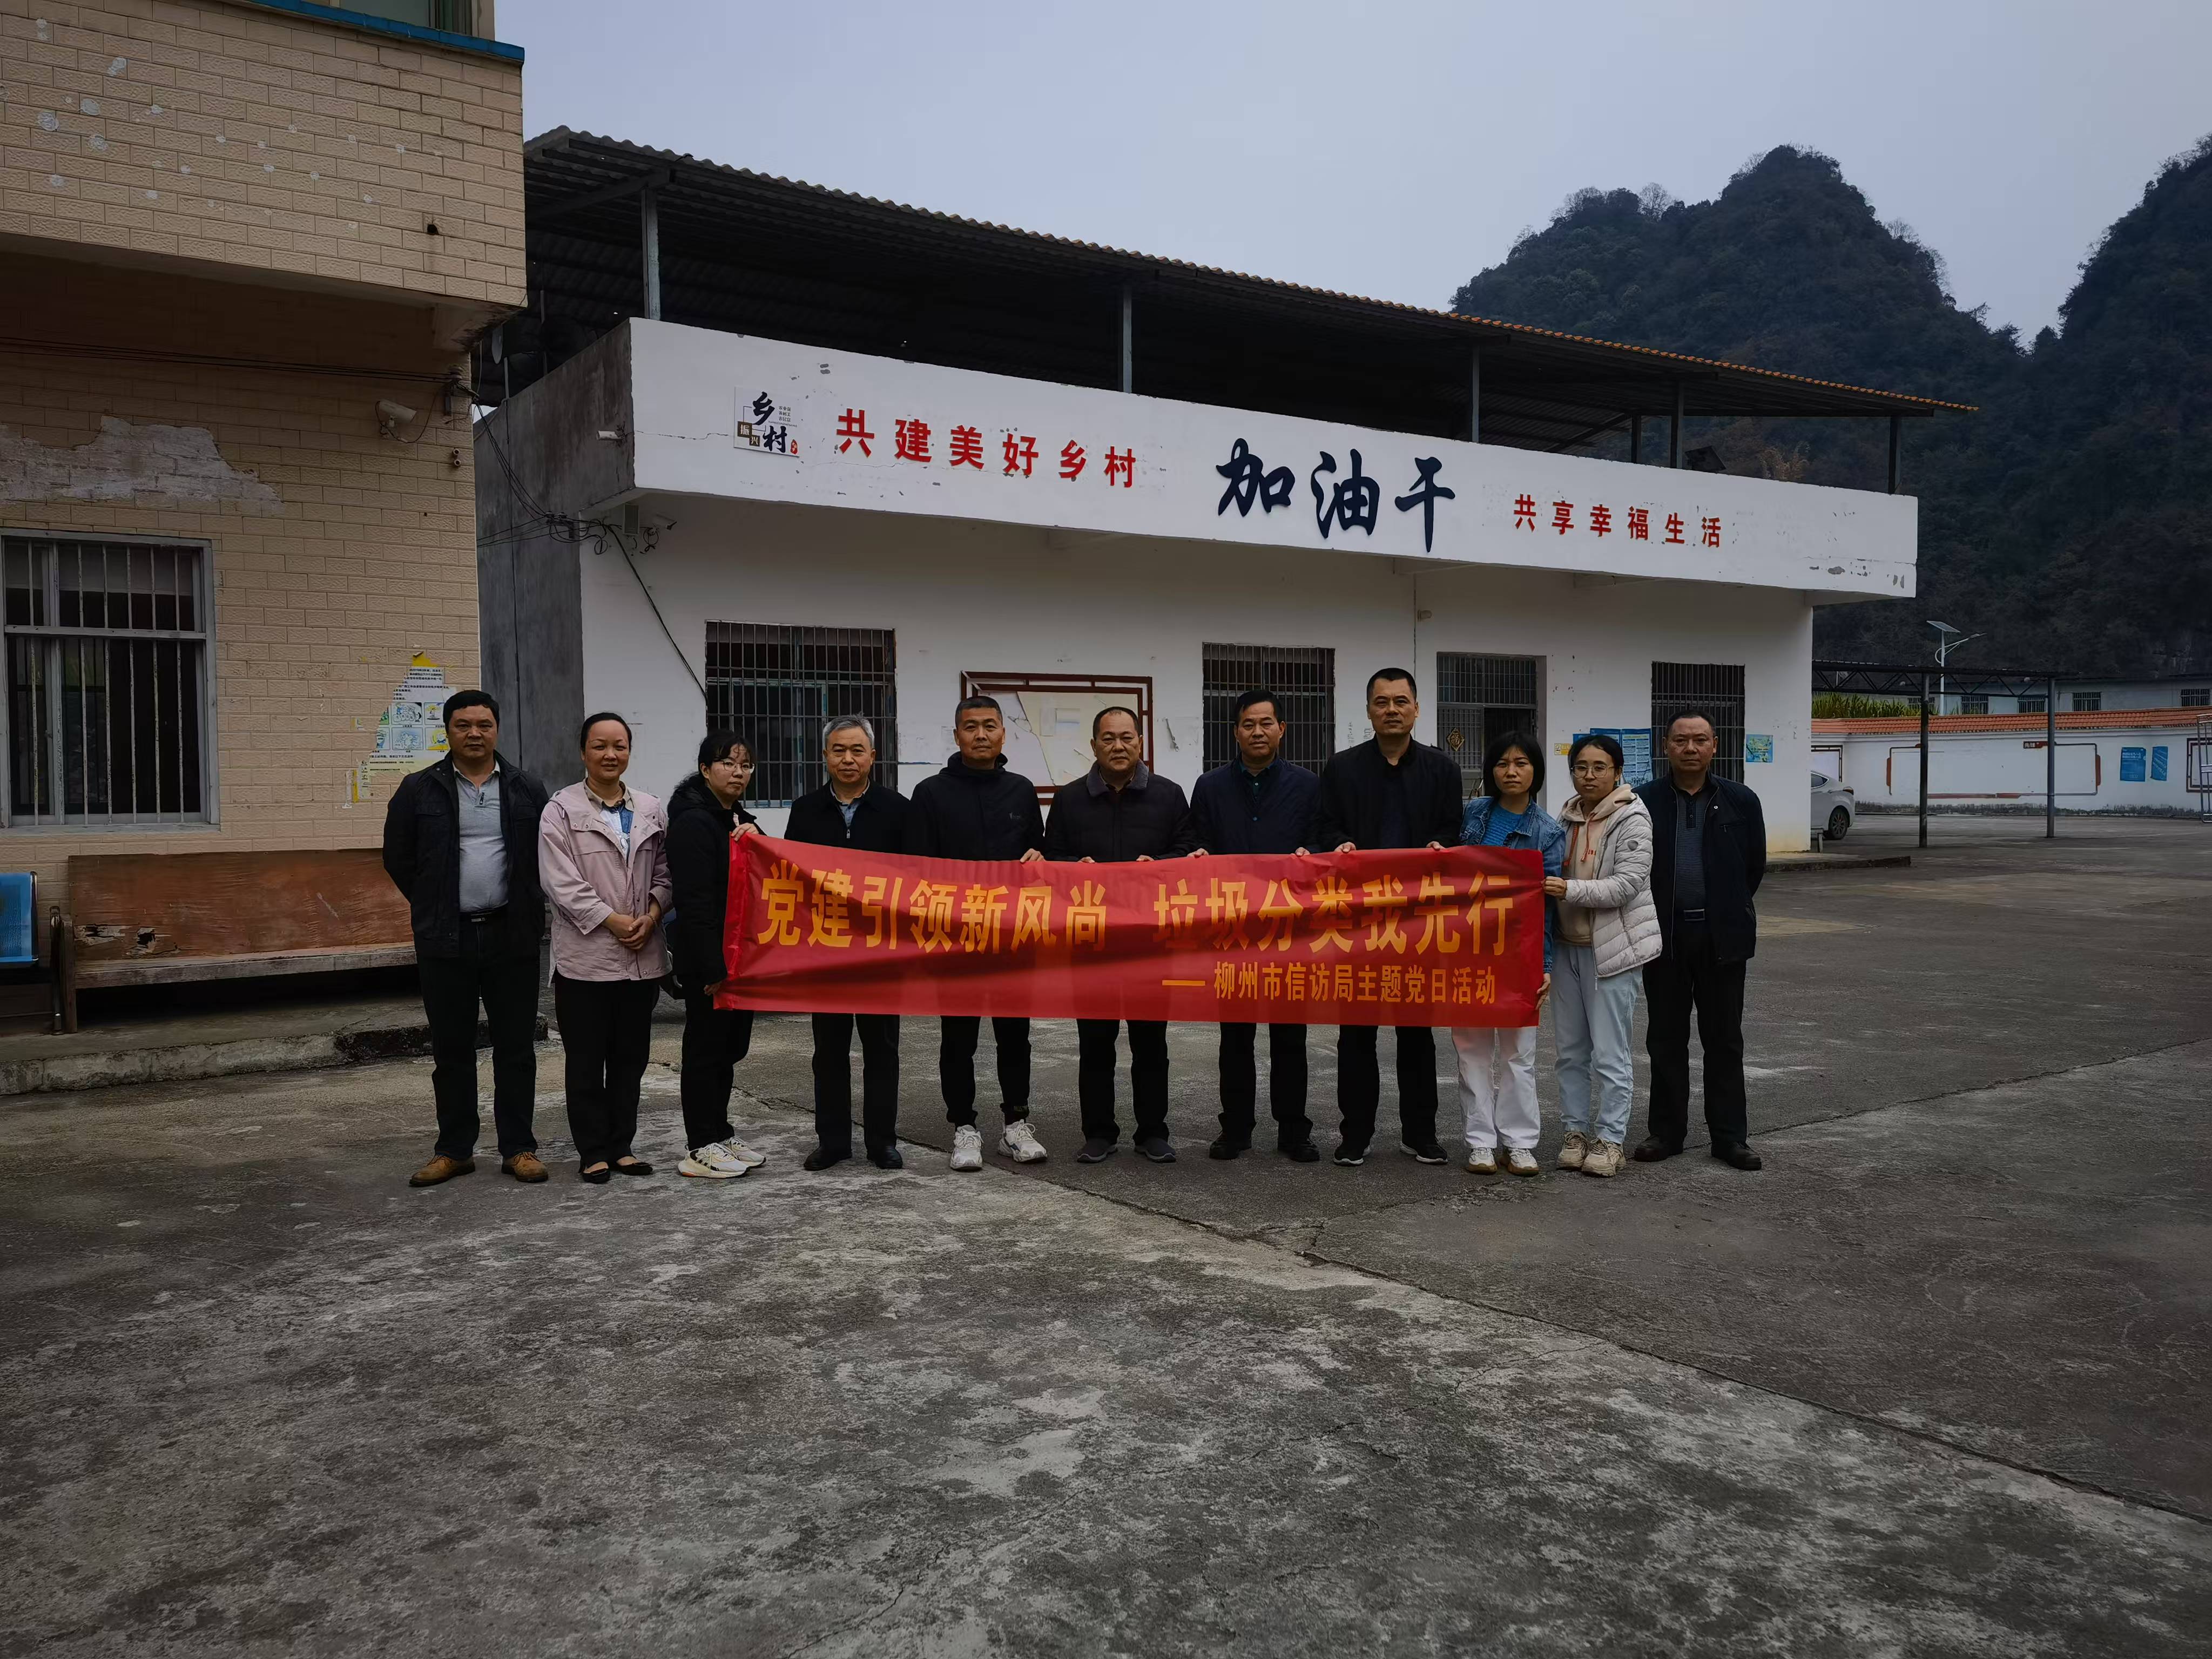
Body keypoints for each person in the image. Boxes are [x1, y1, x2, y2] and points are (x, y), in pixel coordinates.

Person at [382, 690, 551, 1188]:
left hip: (512, 935)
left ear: (496, 729)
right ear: (448, 731)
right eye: (463, 725)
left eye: (484, 725)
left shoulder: (526, 788)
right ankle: (454, 1150)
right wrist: (433, 903)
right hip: (446, 938)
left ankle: (518, 1148)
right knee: (452, 1049)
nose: (474, 734)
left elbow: (547, 855)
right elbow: (398, 858)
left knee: (516, 1048)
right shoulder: (418, 790)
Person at [1313, 668, 1464, 1168]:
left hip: (1418, 923)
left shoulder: (1442, 769)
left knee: (1416, 1034)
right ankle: (1355, 1134)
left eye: (1401, 701)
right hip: (1357, 921)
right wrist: (1340, 844)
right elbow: (1326, 825)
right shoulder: (1342, 769)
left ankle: (1421, 1133)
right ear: (1369, 711)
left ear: (1417, 709)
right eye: (1382, 702)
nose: (1392, 710)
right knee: (1357, 1034)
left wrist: (1443, 846)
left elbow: (1453, 827)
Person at [904, 694, 1051, 1171]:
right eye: (971, 727)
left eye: (990, 725)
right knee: (958, 1038)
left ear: (1003, 733)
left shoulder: (1021, 790)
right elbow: (917, 869)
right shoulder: (930, 793)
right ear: (957, 735)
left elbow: (1040, 854)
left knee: (1015, 1036)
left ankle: (1016, 1124)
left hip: (1012, 938)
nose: (981, 734)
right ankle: (964, 1127)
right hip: (955, 940)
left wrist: (1039, 858)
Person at [1044, 704, 1196, 1164]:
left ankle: (1152, 1131)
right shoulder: (1070, 799)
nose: (1118, 746)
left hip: (1151, 944)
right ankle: (1098, 1132)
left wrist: (1159, 866)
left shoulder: (1168, 796)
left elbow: (1188, 851)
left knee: (1151, 1044)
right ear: (1094, 746)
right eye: (1108, 738)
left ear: (1140, 743)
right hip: (1092, 943)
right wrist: (1076, 868)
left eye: (1126, 737)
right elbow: (1052, 858)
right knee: (1095, 1044)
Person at [1188, 689, 1321, 1162]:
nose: (1258, 732)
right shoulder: (1210, 787)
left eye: (1266, 723)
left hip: (1289, 930)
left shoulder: (1308, 786)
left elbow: (1321, 842)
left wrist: (1311, 854)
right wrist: (1198, 855)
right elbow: (1196, 840)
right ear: (1235, 732)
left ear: (1282, 729)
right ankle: (1236, 1128)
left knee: (1290, 1037)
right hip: (1233, 931)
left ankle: (1294, 1130)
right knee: (1235, 1038)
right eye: (1248, 724)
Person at [538, 712, 671, 1184]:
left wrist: (652, 914)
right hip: (586, 961)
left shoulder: (651, 808)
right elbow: (560, 884)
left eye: (619, 745)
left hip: (640, 957)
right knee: (586, 1060)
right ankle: (592, 1151)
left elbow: (665, 872)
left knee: (630, 1061)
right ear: (583, 752)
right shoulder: (560, 810)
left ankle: (622, 1147)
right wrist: (613, 921)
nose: (610, 754)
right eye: (600, 746)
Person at [1635, 711, 1768, 1170]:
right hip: (1664, 937)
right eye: (1680, 740)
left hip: (1722, 939)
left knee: (1724, 1040)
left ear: (1714, 745)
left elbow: (1753, 867)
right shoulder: (1643, 801)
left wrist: (1726, 910)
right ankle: (1666, 1132)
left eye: (1699, 740)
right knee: (1665, 1039)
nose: (1690, 748)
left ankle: (1730, 1138)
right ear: (1666, 746)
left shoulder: (1741, 800)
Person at [785, 716, 911, 1171]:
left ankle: (882, 1142)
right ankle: (833, 1141)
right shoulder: (805, 811)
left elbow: (916, 878)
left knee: (882, 1051)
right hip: (828, 951)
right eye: (839, 750)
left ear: (873, 757)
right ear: (825, 756)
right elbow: (790, 878)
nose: (848, 759)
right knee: (829, 1052)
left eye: (857, 750)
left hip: (881, 952)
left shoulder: (898, 809)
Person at [1543, 734, 1662, 1179]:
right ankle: (1575, 1133)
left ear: (1617, 772)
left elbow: (1626, 885)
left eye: (1599, 767)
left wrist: (1567, 890)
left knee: (1610, 1054)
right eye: (1581, 767)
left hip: (1612, 951)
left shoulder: (1633, 818)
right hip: (1566, 949)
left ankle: (1611, 1139)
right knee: (1571, 1052)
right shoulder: (1565, 817)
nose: (1589, 776)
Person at [1452, 733, 1563, 1176]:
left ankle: (1519, 1143)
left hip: (1518, 955)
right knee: (1472, 1050)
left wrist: (1545, 964)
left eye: (1521, 763)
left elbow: (1547, 906)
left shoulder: (1547, 831)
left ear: (1536, 770)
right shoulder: (1473, 814)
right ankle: (1480, 1142)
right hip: (1469, 949)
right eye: (1502, 763)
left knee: (1519, 1054)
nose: (1511, 772)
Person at [664, 730, 771, 1181]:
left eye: (745, 765)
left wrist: (758, 838)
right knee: (705, 1050)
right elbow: (695, 902)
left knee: (729, 1049)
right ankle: (700, 1145)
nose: (738, 772)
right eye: (728, 763)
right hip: (710, 962)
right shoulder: (692, 822)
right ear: (706, 769)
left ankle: (721, 1132)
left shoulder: (738, 819)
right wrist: (713, 967)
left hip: (740, 959)